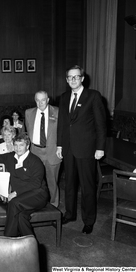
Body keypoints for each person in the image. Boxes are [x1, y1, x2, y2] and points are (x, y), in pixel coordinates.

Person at [56, 65, 106, 235]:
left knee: (88, 186)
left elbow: (101, 125)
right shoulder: (63, 97)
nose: (73, 80)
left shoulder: (93, 96)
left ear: (82, 78)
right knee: (69, 184)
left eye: (76, 77)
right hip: (68, 149)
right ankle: (70, 214)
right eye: (70, 77)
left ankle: (89, 220)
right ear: (66, 79)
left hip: (87, 149)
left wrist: (100, 148)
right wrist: (60, 145)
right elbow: (63, 123)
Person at [0, 133, 49, 237]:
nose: (18, 148)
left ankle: (8, 239)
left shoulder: (35, 161)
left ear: (27, 146)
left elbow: (36, 184)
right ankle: (30, 243)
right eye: (15, 145)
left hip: (38, 195)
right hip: (22, 197)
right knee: (21, 216)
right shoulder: (10, 157)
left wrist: (16, 193)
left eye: (21, 145)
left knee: (14, 203)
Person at [25, 90, 61, 207]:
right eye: (38, 100)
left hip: (52, 151)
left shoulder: (57, 112)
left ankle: (53, 206)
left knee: (52, 182)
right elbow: (28, 132)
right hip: (35, 151)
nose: (40, 103)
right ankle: (37, 204)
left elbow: (63, 133)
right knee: (35, 180)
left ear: (48, 100)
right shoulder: (28, 113)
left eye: (43, 100)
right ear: (35, 100)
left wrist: (61, 148)